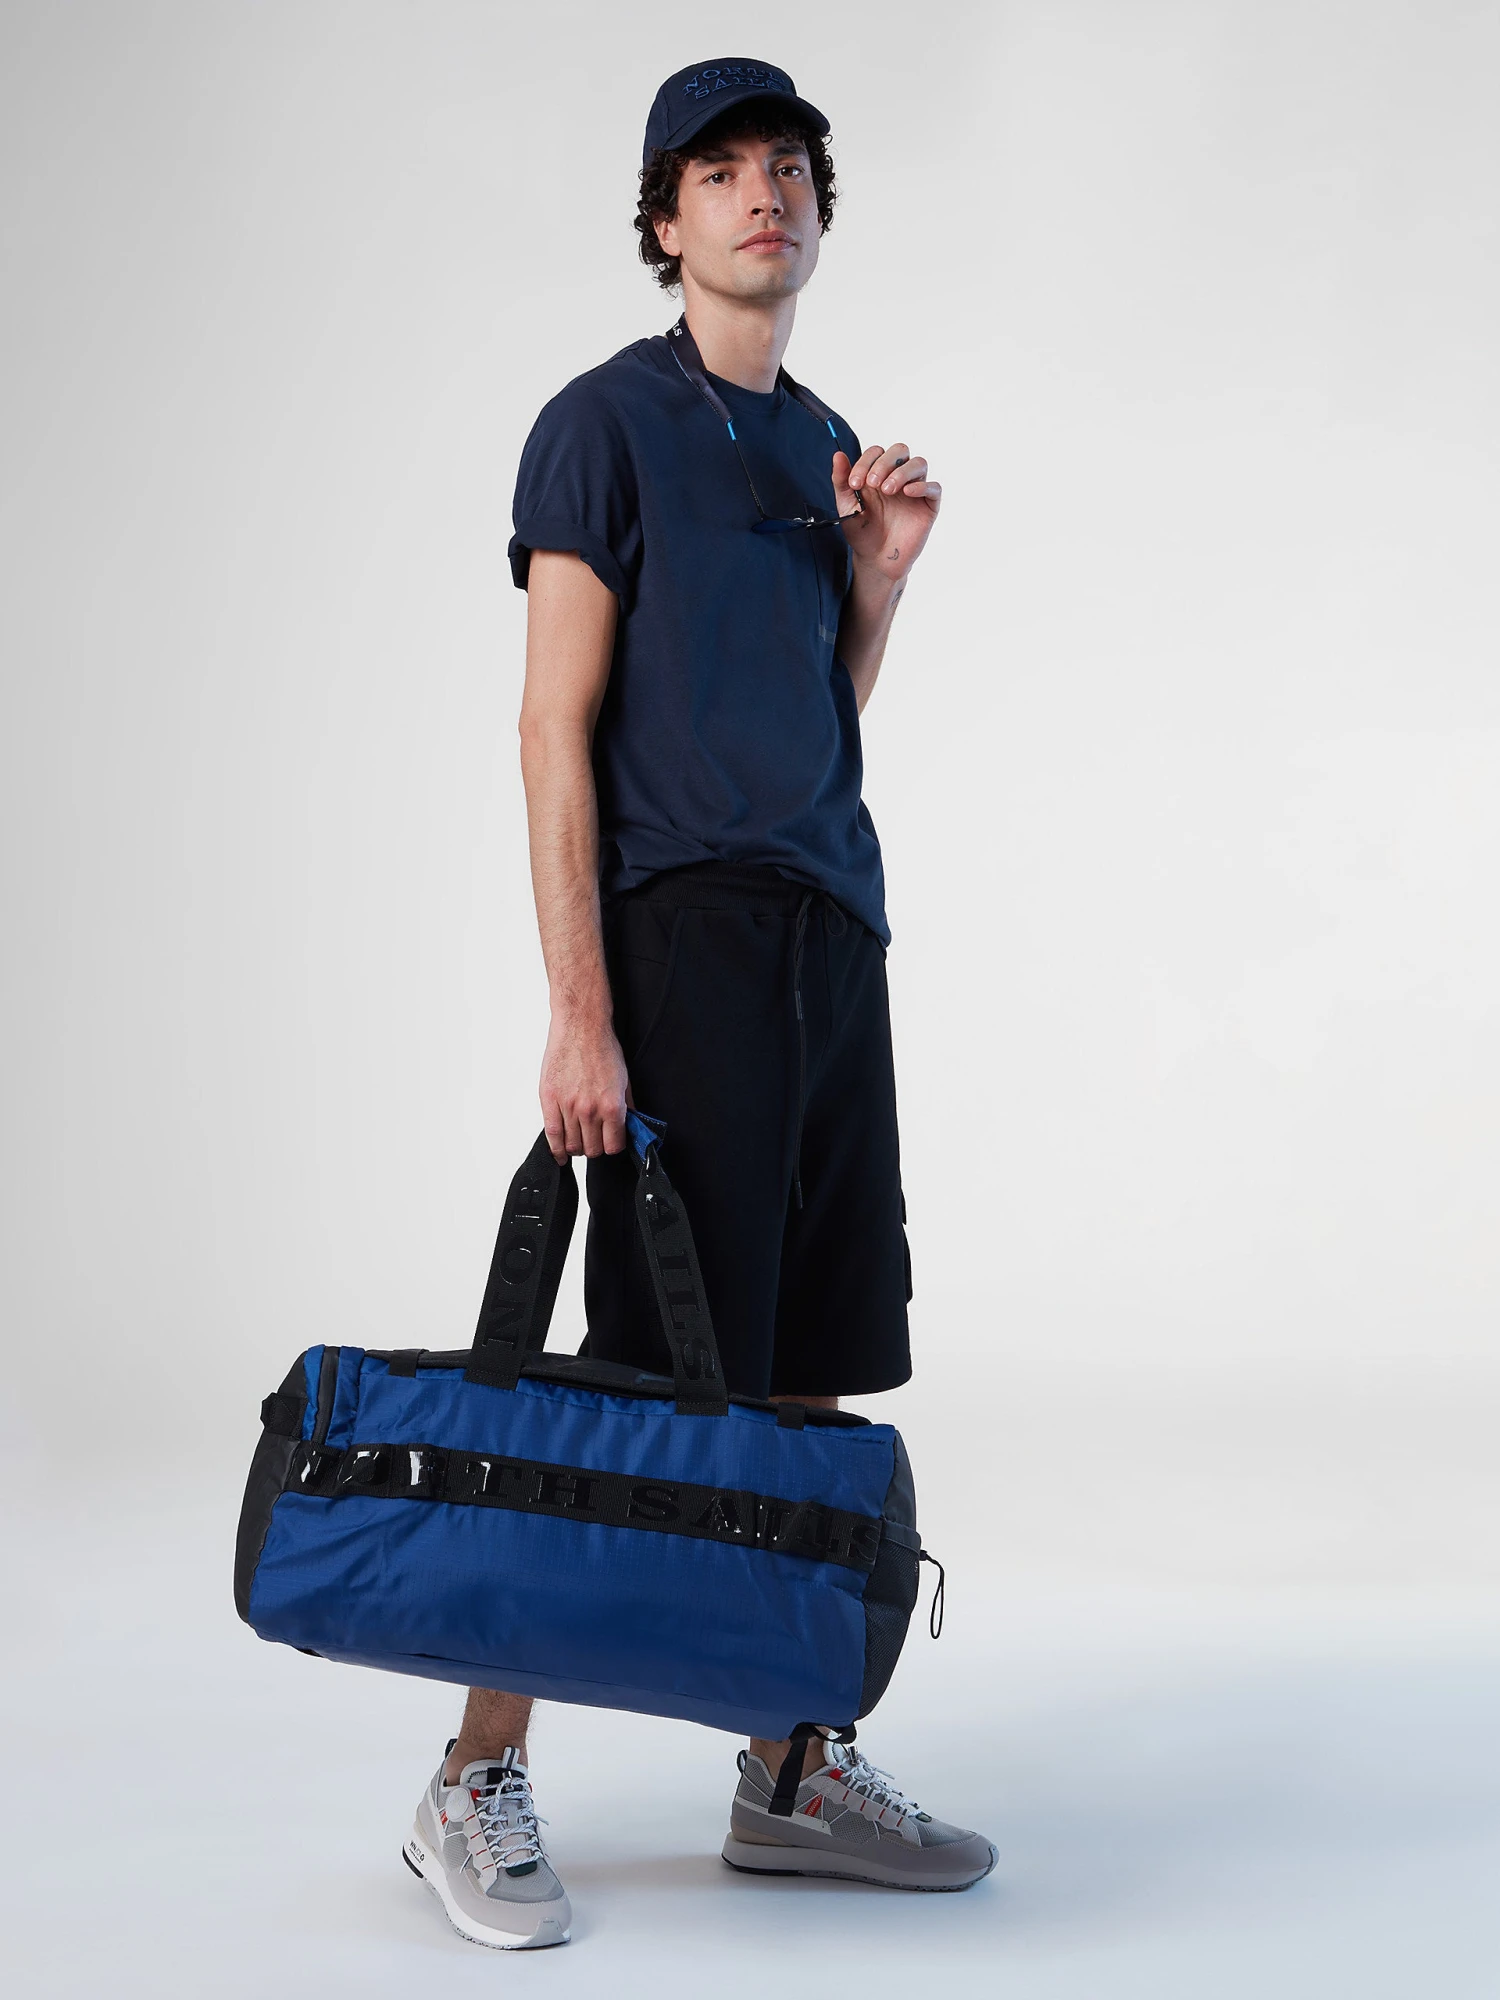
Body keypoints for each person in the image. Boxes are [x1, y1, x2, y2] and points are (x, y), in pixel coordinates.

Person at [401, 58, 997, 1950]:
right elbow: (551, 728)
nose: (765, 192)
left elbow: (812, 710)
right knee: (644, 1386)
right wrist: (579, 1012)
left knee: (803, 1374)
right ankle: (473, 1771)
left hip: (832, 936)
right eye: (721, 171)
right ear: (666, 222)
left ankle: (790, 1764)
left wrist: (877, 582)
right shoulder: (602, 424)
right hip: (680, 943)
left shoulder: (824, 446)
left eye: (790, 166)